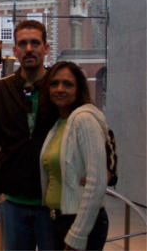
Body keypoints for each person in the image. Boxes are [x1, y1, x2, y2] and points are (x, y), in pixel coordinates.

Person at [0, 20, 58, 250]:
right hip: (11, 203)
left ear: (46, 47)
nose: (29, 49)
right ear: (15, 50)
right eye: (23, 43)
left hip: (53, 202)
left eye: (35, 43)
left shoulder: (61, 88)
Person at [40, 61, 109, 250]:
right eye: (54, 84)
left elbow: (97, 182)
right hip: (58, 219)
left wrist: (77, 234)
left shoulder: (84, 120)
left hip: (80, 222)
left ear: (79, 89)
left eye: (68, 84)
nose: (60, 89)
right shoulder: (59, 124)